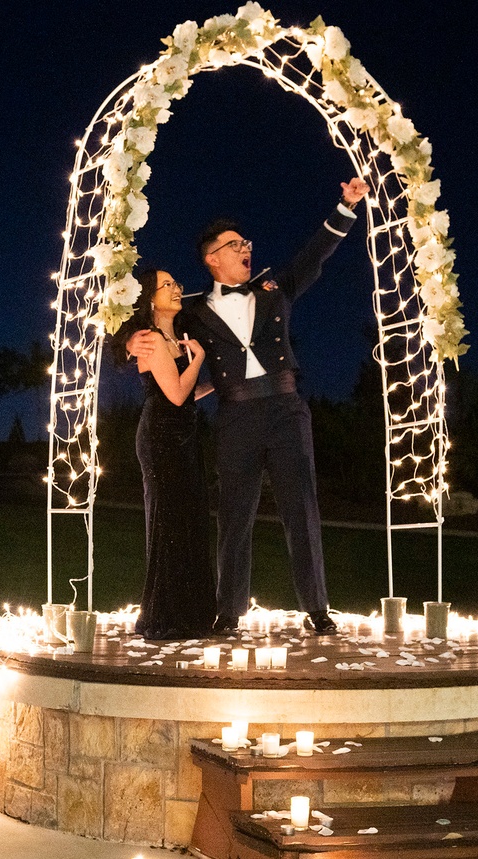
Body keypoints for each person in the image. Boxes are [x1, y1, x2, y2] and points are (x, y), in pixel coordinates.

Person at [129, 178, 369, 636]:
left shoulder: (275, 288)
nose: (246, 249)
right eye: (235, 244)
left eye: (246, 243)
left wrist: (346, 206)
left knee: (301, 506)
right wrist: (127, 340)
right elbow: (145, 309)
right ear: (212, 258)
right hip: (236, 416)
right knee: (235, 515)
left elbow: (314, 255)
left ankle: (317, 607)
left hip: (285, 409)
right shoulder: (194, 309)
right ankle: (229, 610)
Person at [111, 269, 216, 639]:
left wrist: (213, 385)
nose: (177, 289)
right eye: (168, 285)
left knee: (189, 520)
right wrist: (200, 359)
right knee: (169, 523)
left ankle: (190, 614)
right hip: (161, 438)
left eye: (177, 283)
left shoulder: (175, 336)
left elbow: (184, 393)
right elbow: (172, 396)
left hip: (184, 435)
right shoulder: (150, 339)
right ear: (149, 298)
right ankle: (165, 617)